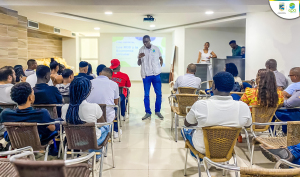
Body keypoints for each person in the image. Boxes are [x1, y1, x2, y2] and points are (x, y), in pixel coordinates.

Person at [182, 71, 252, 157]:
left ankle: (201, 159)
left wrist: (200, 123)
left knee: (185, 130)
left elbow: (187, 123)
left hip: (203, 147)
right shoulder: (243, 107)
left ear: (213, 86)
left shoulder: (200, 105)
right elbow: (248, 125)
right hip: (228, 148)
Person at [61, 77, 108, 161]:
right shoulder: (94, 107)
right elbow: (102, 123)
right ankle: (95, 155)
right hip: (92, 141)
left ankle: (89, 153)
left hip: (73, 141)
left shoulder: (65, 108)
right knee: (107, 127)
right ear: (88, 91)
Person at [87, 67, 121, 139]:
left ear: (100, 73)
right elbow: (115, 103)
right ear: (110, 77)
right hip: (107, 116)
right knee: (115, 109)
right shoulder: (114, 84)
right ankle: (114, 131)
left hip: (91, 115)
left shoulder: (90, 82)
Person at [137, 35, 164, 120]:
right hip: (146, 76)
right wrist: (139, 58)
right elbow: (138, 63)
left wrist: (160, 65)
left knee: (159, 94)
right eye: (144, 42)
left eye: (146, 41)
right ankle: (148, 112)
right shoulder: (141, 50)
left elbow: (160, 58)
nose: (145, 43)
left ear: (150, 40)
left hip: (156, 75)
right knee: (146, 95)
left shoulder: (156, 48)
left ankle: (158, 111)